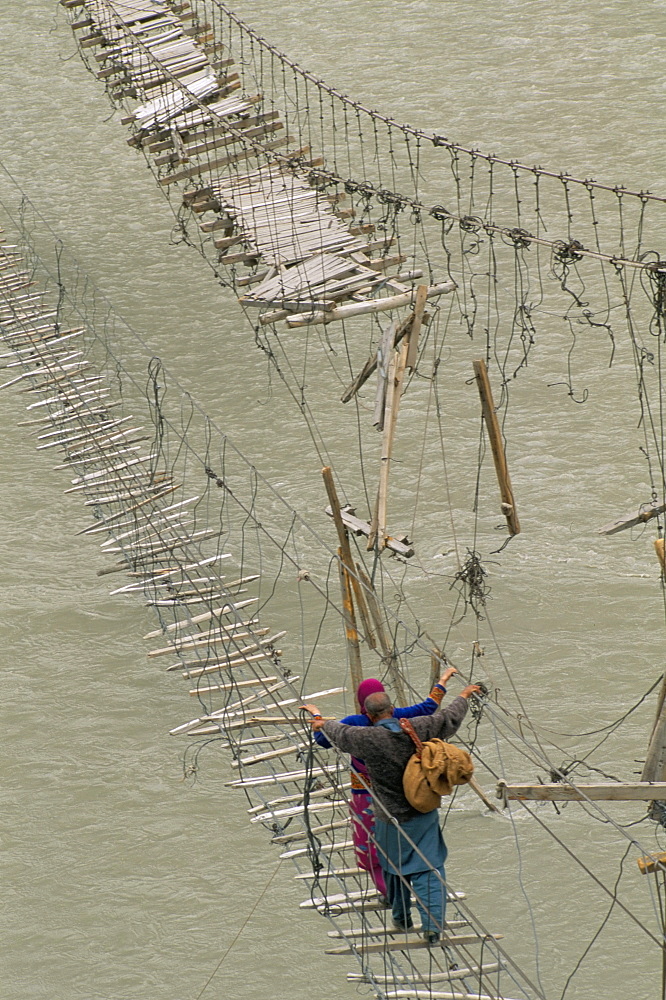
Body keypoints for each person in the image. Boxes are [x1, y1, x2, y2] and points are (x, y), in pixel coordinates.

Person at [303, 682, 480, 944]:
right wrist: (464, 695)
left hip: (388, 815)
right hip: (423, 810)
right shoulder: (418, 727)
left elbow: (336, 732)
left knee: (393, 866)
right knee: (428, 867)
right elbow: (448, 717)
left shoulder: (366, 738)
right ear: (393, 710)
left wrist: (318, 719)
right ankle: (432, 925)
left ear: (369, 715)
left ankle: (401, 917)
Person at [310, 669, 459, 898]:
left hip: (364, 793)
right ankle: (416, 888)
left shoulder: (354, 724)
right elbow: (429, 707)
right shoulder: (399, 716)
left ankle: (388, 892)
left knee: (369, 845)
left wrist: (319, 719)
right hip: (399, 790)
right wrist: (442, 682)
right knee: (404, 843)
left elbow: (324, 739)